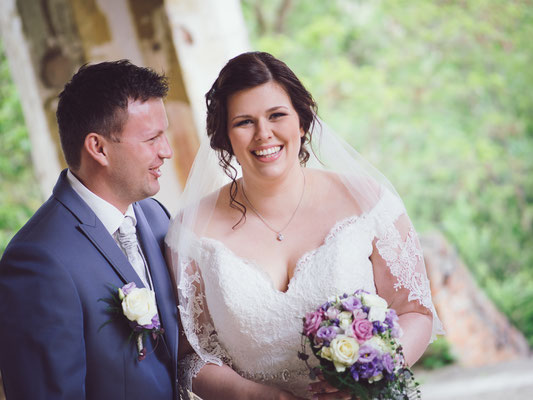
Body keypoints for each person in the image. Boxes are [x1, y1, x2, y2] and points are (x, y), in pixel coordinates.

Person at [166, 52, 444, 400]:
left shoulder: (367, 202)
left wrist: (371, 373)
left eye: (277, 115)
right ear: (224, 135)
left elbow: (415, 311)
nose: (263, 134)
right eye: (244, 122)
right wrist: (258, 396)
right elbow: (190, 356)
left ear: (301, 121)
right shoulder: (192, 232)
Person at [0, 60, 179, 400]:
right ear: (98, 148)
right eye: (152, 138)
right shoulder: (38, 261)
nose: (166, 151)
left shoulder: (156, 217)